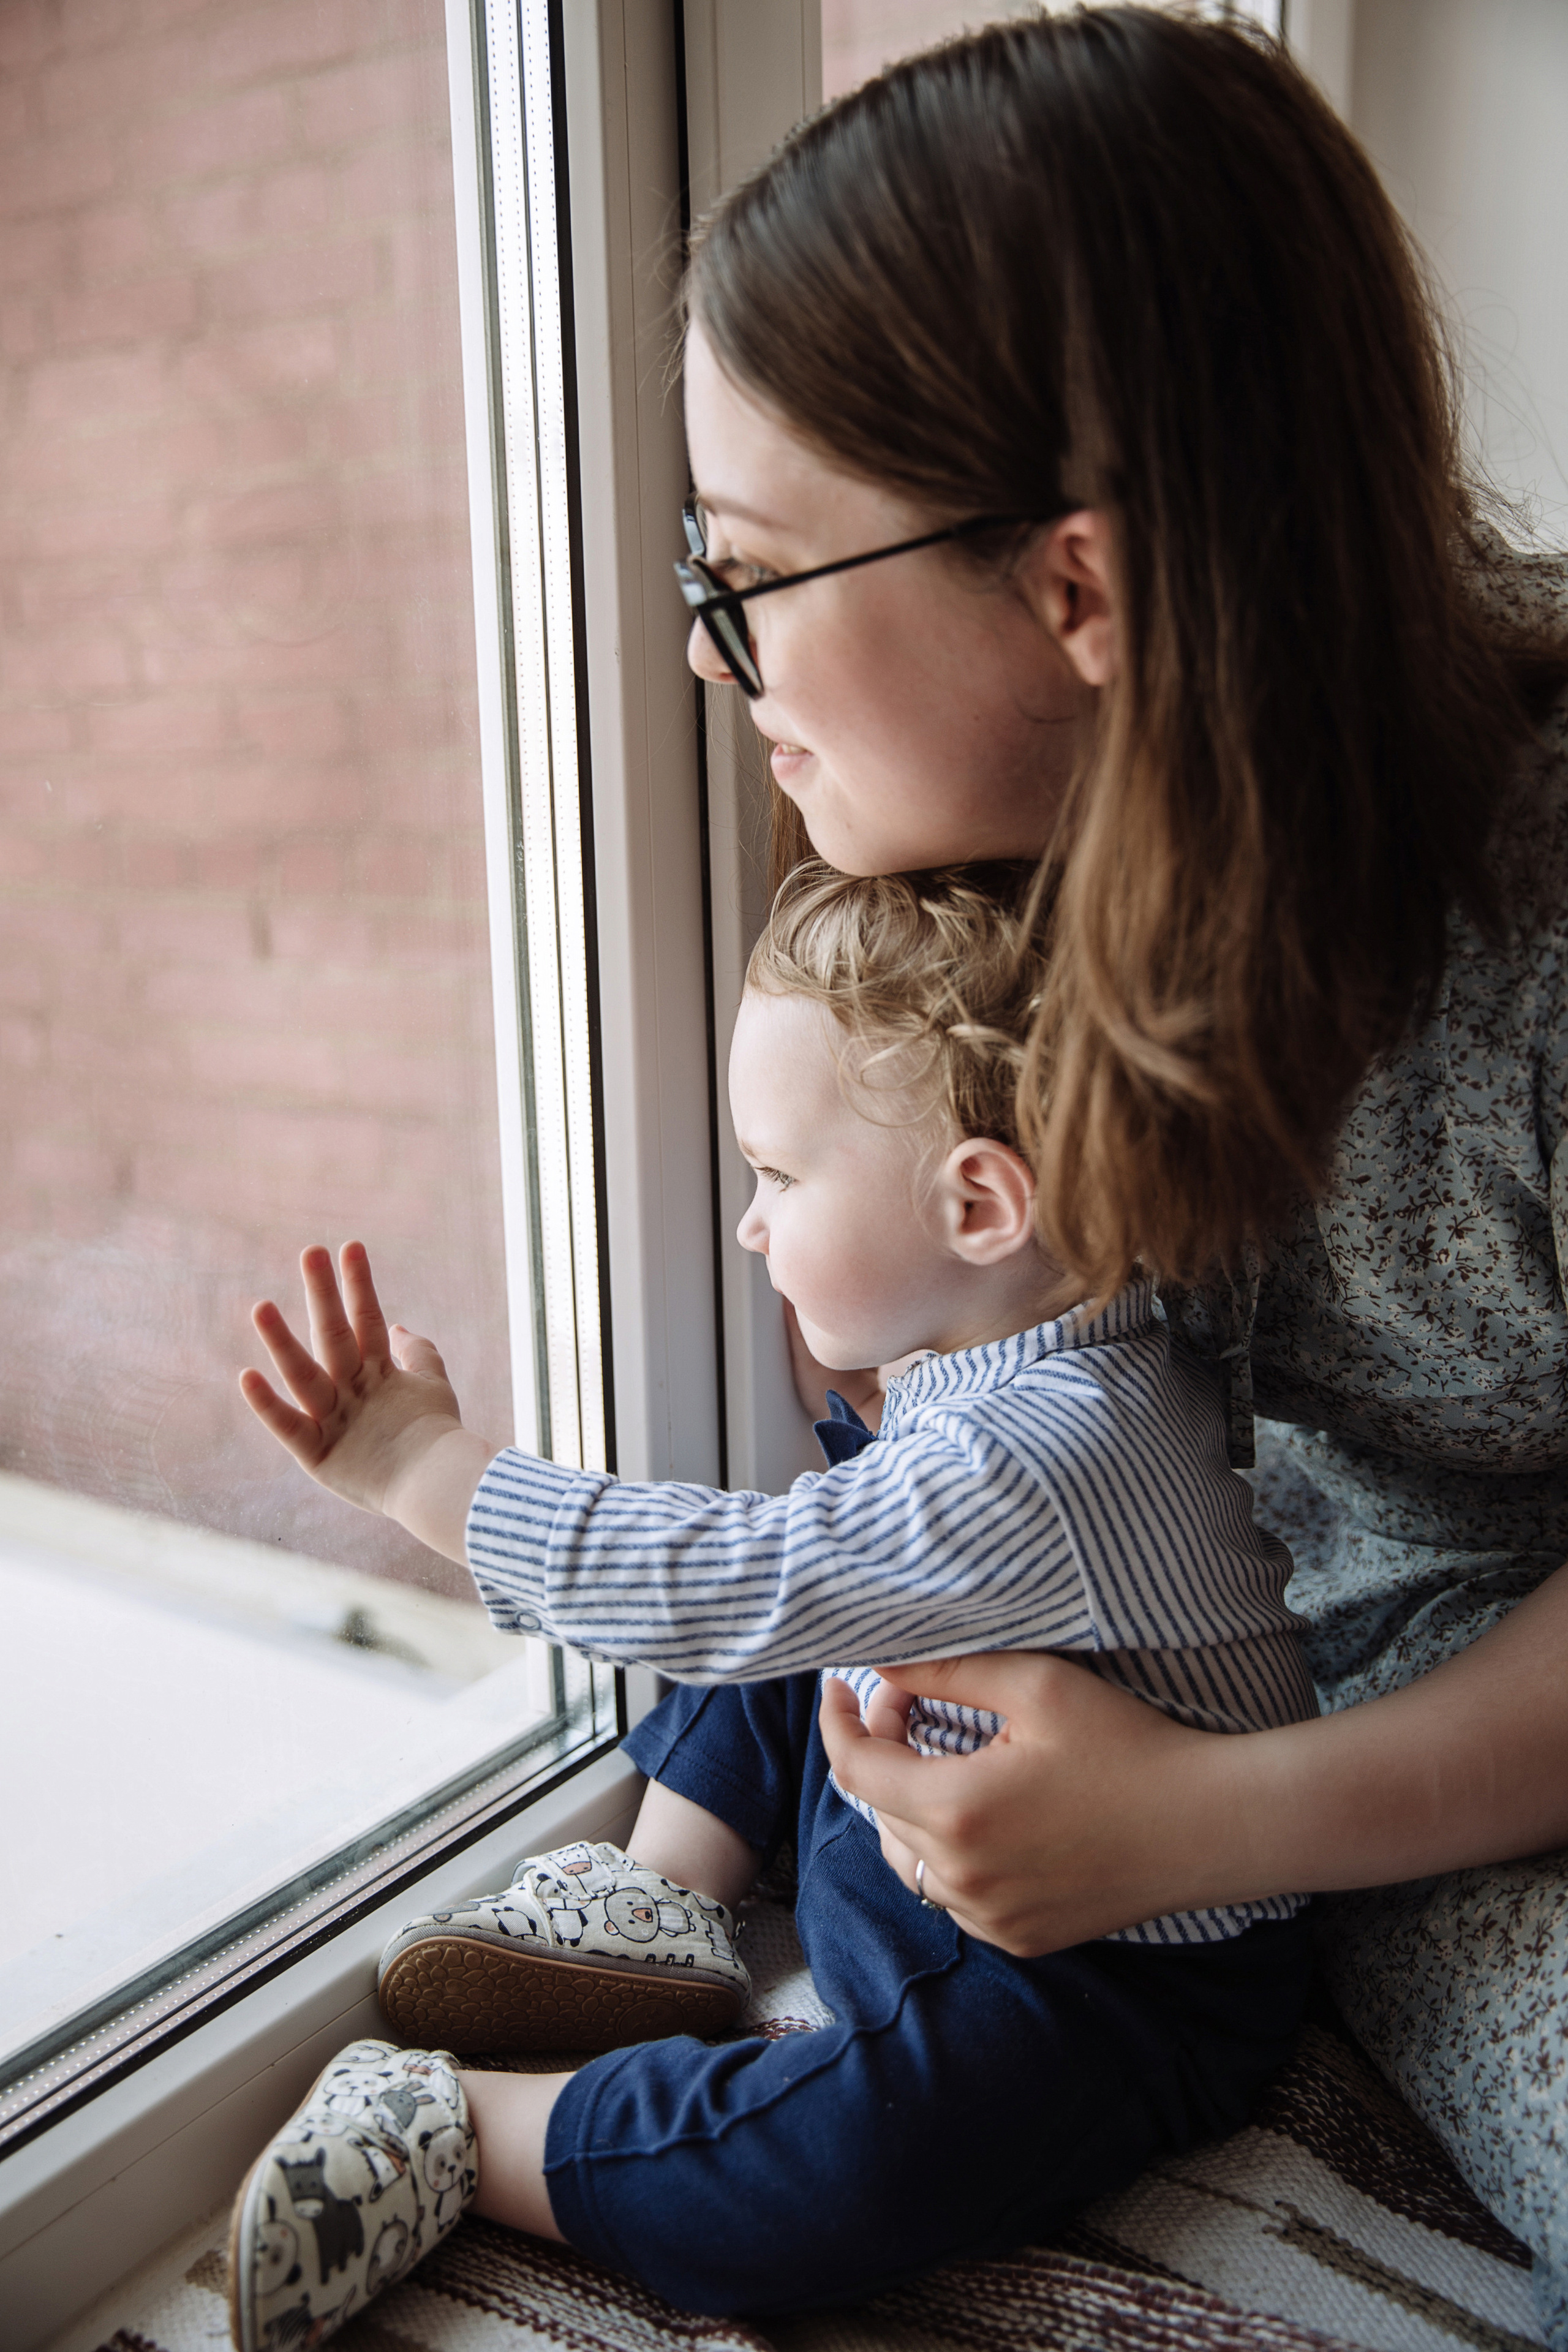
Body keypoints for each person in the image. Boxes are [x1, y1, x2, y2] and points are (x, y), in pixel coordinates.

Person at [667, 7, 1568, 2342]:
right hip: (1206, 1674)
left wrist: (1198, 1829)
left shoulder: (1537, 930)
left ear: (1078, 595)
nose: (713, 652)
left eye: (748, 568)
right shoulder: (986, 894)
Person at [227, 862, 1318, 2346]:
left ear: (978, 1202)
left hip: (1105, 1968)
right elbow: (791, 1582)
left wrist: (426, 1469)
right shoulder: (1038, 1372)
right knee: (808, 1583)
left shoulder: (1040, 1455)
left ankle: (460, 2129)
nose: (749, 1227)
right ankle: (664, 1907)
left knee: (860, 2166)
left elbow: (729, 1588)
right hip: (949, 1811)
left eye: (781, 1181)